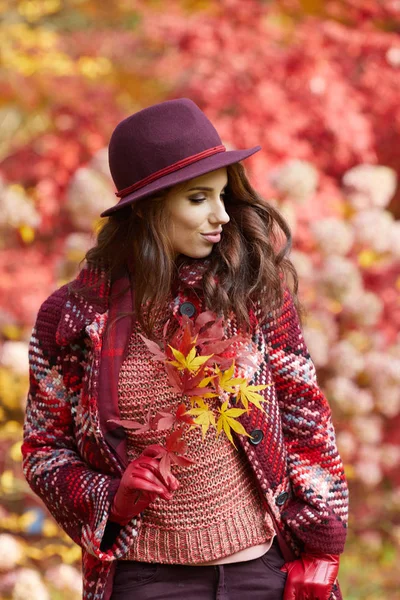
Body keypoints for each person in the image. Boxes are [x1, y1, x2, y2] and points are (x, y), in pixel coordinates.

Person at [22, 98, 349, 600]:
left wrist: (322, 545)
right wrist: (114, 497)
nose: (220, 215)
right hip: (146, 581)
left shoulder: (250, 292)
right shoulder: (71, 318)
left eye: (221, 196)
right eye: (198, 199)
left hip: (263, 572)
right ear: (149, 209)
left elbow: (307, 417)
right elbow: (44, 451)